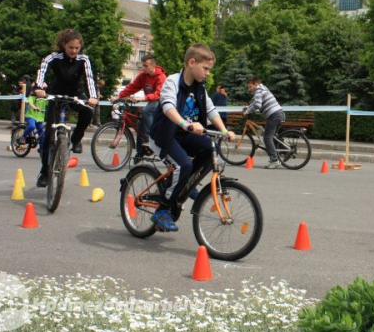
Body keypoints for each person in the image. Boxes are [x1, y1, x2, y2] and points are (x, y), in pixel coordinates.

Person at [148, 44, 234, 232]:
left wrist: (224, 131)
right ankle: (162, 211)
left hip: (184, 135)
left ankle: (187, 183)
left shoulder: (199, 88)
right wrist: (185, 124)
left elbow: (211, 110)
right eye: (205, 68)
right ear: (191, 62)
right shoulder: (173, 81)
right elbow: (168, 107)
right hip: (165, 135)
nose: (208, 73)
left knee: (211, 149)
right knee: (183, 165)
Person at [33, 29, 97, 187]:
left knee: (88, 111)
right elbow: (42, 71)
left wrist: (93, 96)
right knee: (48, 135)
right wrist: (39, 87)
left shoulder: (83, 60)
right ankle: (44, 173)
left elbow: (89, 78)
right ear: (64, 45)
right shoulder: (53, 57)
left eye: (77, 48)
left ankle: (76, 140)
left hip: (75, 94)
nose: (74, 51)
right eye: (71, 48)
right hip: (56, 94)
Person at [117, 54, 166, 157]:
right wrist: (119, 96)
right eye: (143, 65)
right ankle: (140, 153)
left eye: (146, 66)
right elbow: (133, 87)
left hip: (161, 102)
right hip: (151, 101)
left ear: (153, 65)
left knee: (146, 112)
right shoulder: (143, 76)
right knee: (140, 124)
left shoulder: (161, 77)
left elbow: (158, 94)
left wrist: (142, 98)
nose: (143, 68)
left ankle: (150, 140)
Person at [243, 77, 285, 169]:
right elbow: (257, 102)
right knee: (272, 137)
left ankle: (274, 160)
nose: (249, 89)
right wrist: (249, 106)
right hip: (279, 113)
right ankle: (279, 155)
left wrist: (248, 111)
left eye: (250, 87)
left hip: (274, 115)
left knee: (267, 138)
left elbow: (258, 104)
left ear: (255, 84)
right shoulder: (263, 88)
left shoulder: (258, 91)